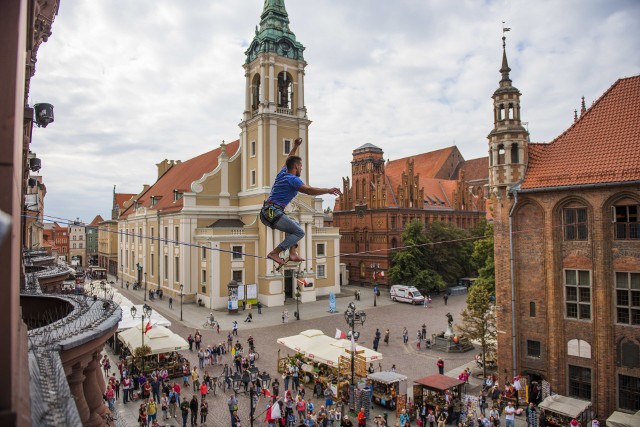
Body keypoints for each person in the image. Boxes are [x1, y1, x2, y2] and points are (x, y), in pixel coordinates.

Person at [260, 137, 341, 266]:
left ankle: (292, 253)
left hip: (268, 211)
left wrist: (295, 146)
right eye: (301, 167)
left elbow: (288, 160)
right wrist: (328, 190)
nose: (301, 169)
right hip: (272, 212)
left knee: (295, 223)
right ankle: (275, 252)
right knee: (299, 231)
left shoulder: (282, 174)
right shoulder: (293, 179)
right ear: (297, 166)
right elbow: (308, 190)